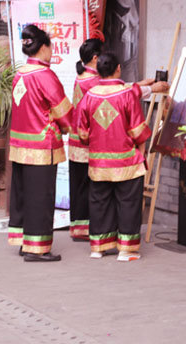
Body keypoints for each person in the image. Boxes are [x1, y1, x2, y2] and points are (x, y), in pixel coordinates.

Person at [76, 52, 151, 261]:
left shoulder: (90, 95)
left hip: (99, 161)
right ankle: (126, 249)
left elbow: (82, 133)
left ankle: (98, 247)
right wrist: (143, 146)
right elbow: (137, 130)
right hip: (125, 160)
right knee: (128, 202)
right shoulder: (126, 94)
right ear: (118, 68)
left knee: (100, 202)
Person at [8, 24, 73, 262]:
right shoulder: (46, 76)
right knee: (41, 197)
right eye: (50, 47)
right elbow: (63, 112)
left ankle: (25, 242)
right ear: (44, 47)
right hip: (42, 145)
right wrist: (68, 127)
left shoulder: (20, 74)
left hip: (19, 144)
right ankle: (38, 248)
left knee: (23, 194)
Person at [67, 38, 103, 241]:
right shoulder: (93, 81)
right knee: (88, 186)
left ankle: (77, 228)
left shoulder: (81, 76)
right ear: (95, 57)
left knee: (78, 185)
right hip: (86, 140)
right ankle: (85, 229)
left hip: (75, 138)